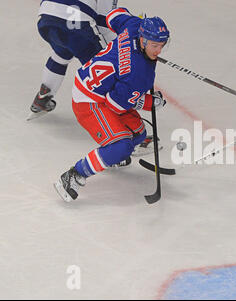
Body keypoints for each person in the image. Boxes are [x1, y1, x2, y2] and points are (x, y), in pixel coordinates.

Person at [54, 7, 170, 202]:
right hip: (88, 100)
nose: (158, 51)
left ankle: (112, 157)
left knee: (138, 134)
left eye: (162, 45)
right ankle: (73, 176)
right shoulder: (139, 74)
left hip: (97, 86)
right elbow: (116, 106)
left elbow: (114, 15)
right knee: (122, 145)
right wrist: (150, 102)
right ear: (142, 40)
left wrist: (132, 23)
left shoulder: (134, 26)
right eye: (154, 46)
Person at [29, 0, 119, 121]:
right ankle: (120, 118)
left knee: (61, 53)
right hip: (75, 24)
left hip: (46, 18)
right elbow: (104, 22)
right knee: (103, 67)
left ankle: (43, 96)